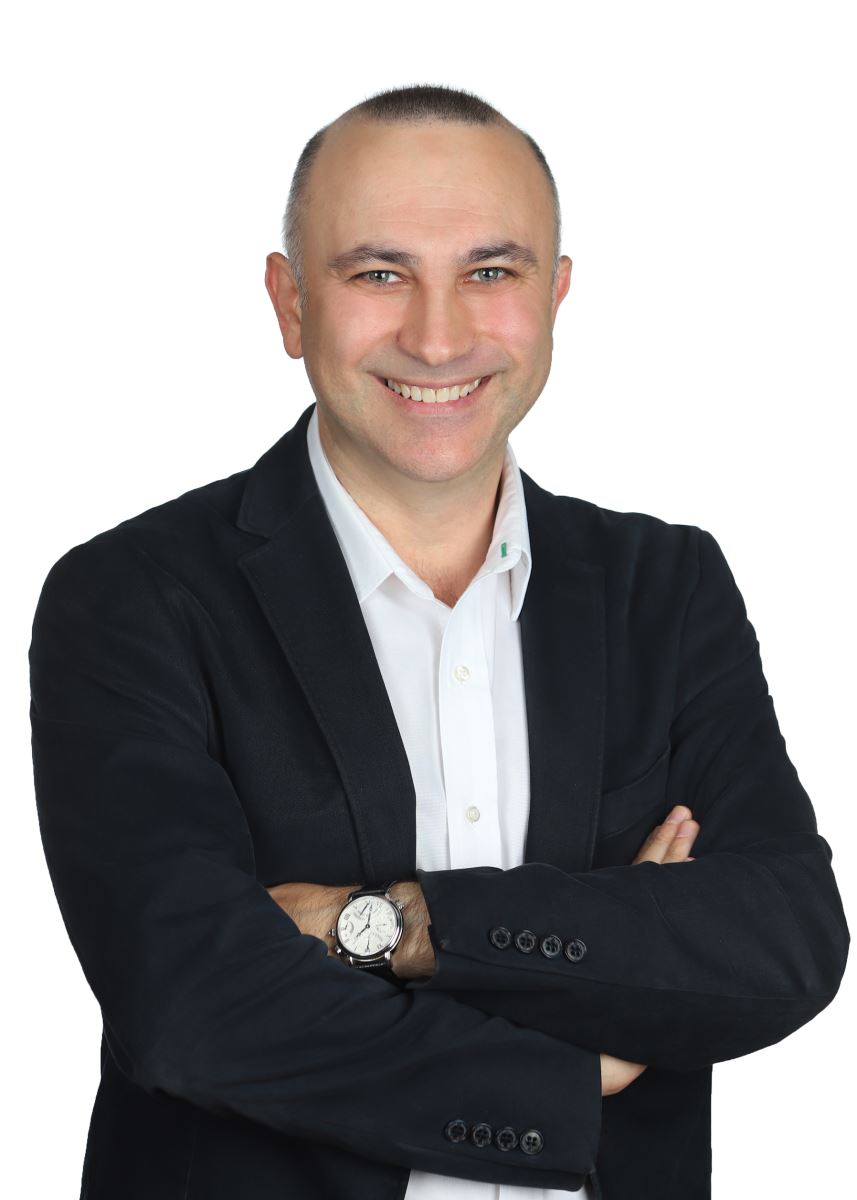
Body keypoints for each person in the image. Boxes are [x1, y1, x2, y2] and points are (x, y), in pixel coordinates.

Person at [29, 83, 849, 1200]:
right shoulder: (133, 597)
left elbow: (780, 941)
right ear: (288, 305)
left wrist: (389, 928)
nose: (436, 335)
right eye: (378, 274)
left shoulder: (665, 587)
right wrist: (578, 1068)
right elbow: (191, 1007)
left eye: (490, 272)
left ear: (554, 297)